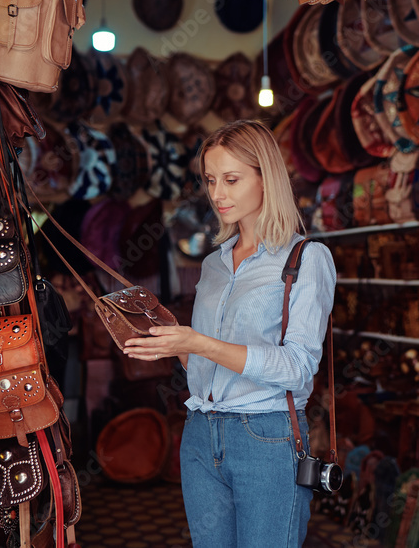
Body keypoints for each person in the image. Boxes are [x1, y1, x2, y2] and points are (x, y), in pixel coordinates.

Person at [122, 119, 336, 547]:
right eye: (211, 179)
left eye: (232, 180)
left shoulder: (307, 259)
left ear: (266, 178)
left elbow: (298, 368)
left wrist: (198, 342)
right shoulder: (214, 264)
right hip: (201, 433)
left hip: (267, 436)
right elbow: (205, 361)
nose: (217, 194)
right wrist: (171, 343)